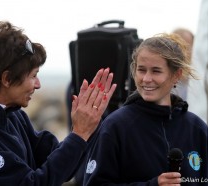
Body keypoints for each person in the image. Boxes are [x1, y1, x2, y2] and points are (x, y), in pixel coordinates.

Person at [0, 21, 117, 186]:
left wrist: (87, 126)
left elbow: (63, 167)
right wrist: (79, 134)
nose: (38, 84)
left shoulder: (12, 113)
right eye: (33, 76)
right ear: (7, 79)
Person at [83, 33, 208, 185]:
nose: (147, 79)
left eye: (156, 71)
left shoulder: (197, 129)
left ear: (176, 75)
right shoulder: (115, 127)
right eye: (141, 70)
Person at [171, 28, 194, 100]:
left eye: (186, 47)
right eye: (178, 46)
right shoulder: (162, 78)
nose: (182, 52)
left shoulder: (202, 79)